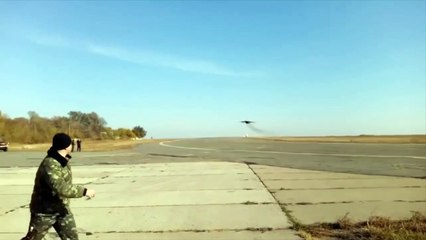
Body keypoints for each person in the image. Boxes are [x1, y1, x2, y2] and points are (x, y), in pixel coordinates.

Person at [21, 133, 95, 240]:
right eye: (71, 143)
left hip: (62, 209)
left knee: (72, 237)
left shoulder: (63, 160)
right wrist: (84, 191)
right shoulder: (50, 164)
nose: (72, 145)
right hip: (44, 212)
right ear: (66, 146)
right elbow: (62, 188)